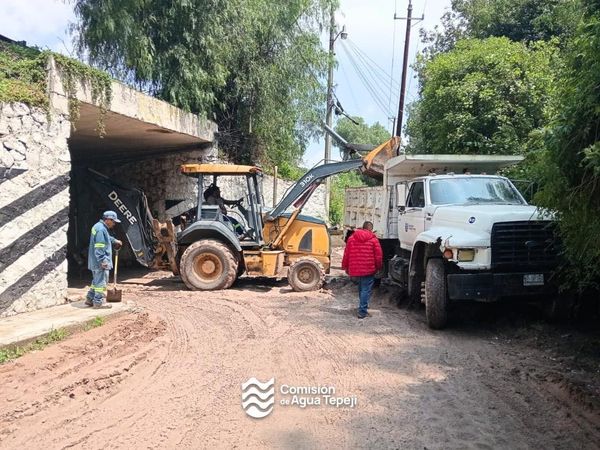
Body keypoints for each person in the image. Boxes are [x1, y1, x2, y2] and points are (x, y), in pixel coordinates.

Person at [341, 221, 383, 319]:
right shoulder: (374, 240)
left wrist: (345, 267)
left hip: (356, 268)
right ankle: (362, 311)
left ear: (362, 228)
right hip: (368, 268)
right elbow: (378, 256)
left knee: (361, 287)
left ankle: (363, 305)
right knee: (365, 289)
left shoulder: (351, 238)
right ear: (371, 229)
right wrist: (378, 267)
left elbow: (346, 254)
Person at [85, 211, 123, 309]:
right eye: (113, 221)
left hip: (94, 260)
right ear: (108, 220)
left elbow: (106, 238)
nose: (114, 224)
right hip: (99, 262)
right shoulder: (101, 229)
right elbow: (99, 247)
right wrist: (103, 261)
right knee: (101, 282)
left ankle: (89, 299)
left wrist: (115, 241)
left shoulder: (98, 227)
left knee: (96, 281)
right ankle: (98, 302)